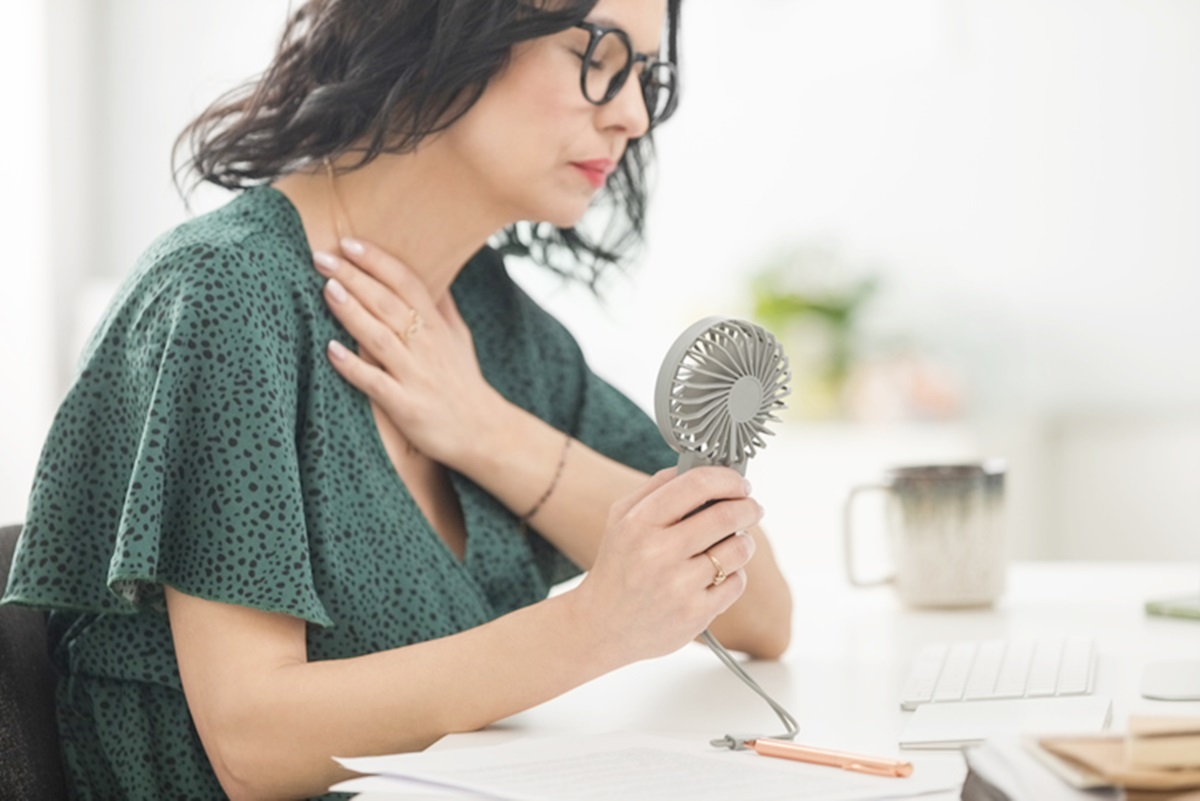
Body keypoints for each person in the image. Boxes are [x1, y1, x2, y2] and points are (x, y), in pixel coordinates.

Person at [2, 0, 793, 798]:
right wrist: (596, 625)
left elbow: (758, 608)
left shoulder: (490, 328)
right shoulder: (224, 296)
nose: (630, 115)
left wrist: (486, 430)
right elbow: (251, 743)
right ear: (448, 25)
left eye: (645, 76)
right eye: (599, 55)